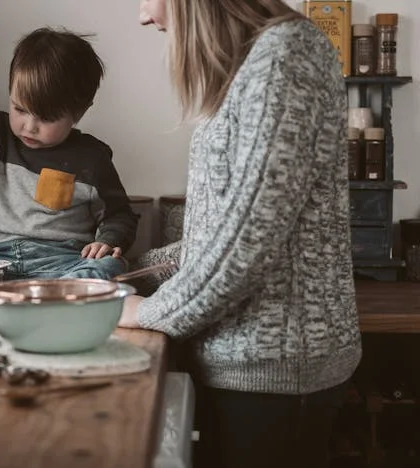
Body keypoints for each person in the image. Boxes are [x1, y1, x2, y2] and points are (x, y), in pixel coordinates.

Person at [120, 1, 362, 467]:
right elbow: (221, 233)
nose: (144, 16)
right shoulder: (254, 64)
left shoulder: (286, 55)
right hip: (242, 365)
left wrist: (148, 311)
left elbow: (246, 242)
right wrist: (131, 275)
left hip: (278, 371)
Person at [0, 27, 138, 280]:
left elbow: (119, 215)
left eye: (46, 118)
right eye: (20, 109)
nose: (29, 126)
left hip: (59, 263)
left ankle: (51, 300)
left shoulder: (91, 158)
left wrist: (108, 240)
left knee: (108, 267)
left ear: (79, 112)